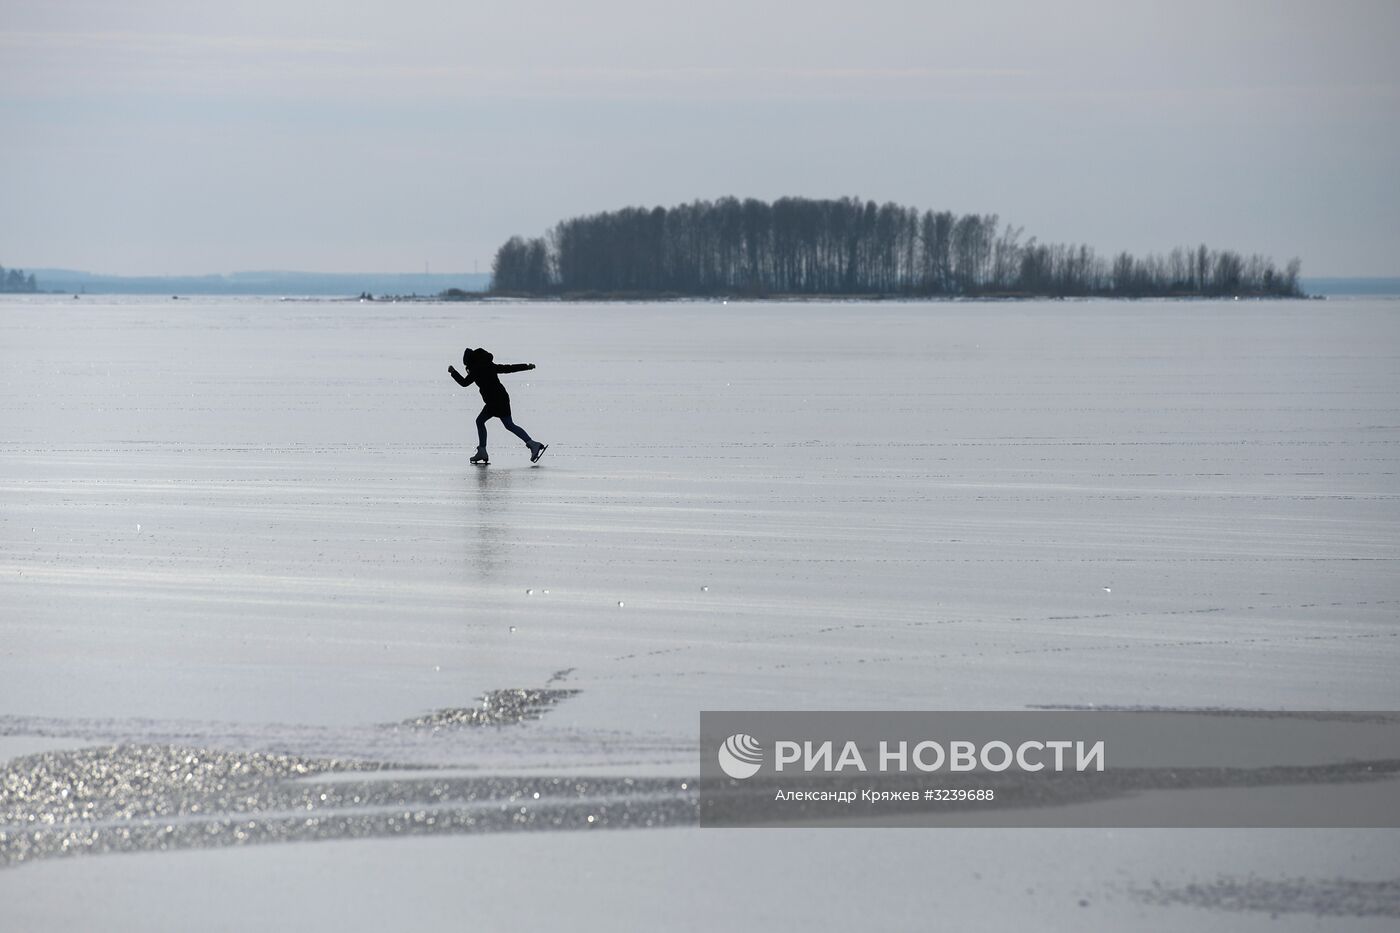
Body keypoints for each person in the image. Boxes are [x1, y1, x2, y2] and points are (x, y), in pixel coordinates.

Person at [448, 347, 547, 465]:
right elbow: (508, 368)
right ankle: (532, 444)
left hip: (494, 401)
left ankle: (483, 450)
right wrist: (526, 366)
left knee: (482, 421)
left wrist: (453, 372)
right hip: (501, 398)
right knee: (507, 424)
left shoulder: (476, 369)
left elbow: (464, 383)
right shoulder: (488, 365)